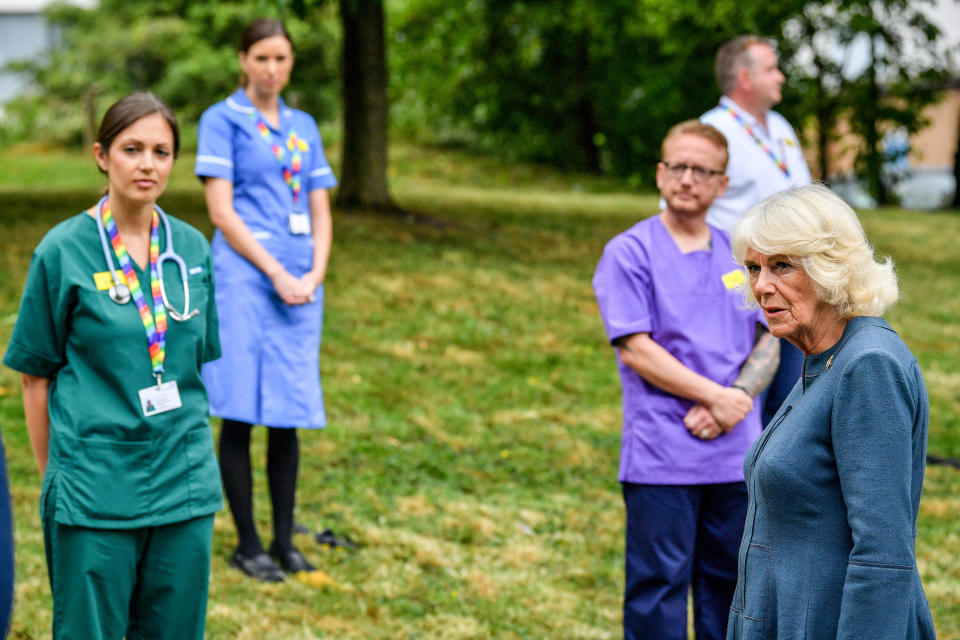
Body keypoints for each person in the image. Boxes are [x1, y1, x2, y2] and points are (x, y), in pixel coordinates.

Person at [3, 93, 221, 639]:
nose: (148, 164)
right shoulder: (64, 251)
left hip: (184, 480)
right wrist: (59, 474)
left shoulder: (191, 249)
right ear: (102, 156)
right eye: (132, 149)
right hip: (93, 488)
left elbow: (196, 363)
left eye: (161, 151)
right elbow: (35, 374)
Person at [592, 120, 780, 640]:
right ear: (659, 174)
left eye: (703, 170)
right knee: (658, 593)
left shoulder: (741, 257)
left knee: (733, 591)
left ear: (722, 184)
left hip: (734, 455)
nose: (687, 178)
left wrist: (737, 398)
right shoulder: (629, 252)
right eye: (677, 166)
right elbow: (636, 349)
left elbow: (772, 335)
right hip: (662, 456)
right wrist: (717, 397)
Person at [726, 184, 936, 639]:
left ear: (831, 268)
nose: (761, 286)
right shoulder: (823, 357)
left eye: (782, 265)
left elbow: (882, 553)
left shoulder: (868, 364)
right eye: (753, 268)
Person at [195, 17, 336, 582]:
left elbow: (321, 207)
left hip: (301, 286)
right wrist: (277, 271)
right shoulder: (221, 121)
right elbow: (221, 210)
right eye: (261, 59)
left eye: (281, 59)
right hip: (246, 279)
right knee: (240, 412)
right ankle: (247, 542)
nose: (271, 70)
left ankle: (284, 541)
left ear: (291, 62)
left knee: (287, 412)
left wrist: (315, 272)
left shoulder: (303, 125)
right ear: (243, 60)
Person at [702, 35, 812, 426]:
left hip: (795, 282)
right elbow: (683, 215)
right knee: (748, 401)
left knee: (791, 396)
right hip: (737, 289)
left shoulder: (780, 127)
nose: (781, 76)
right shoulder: (713, 133)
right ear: (745, 77)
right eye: (771, 68)